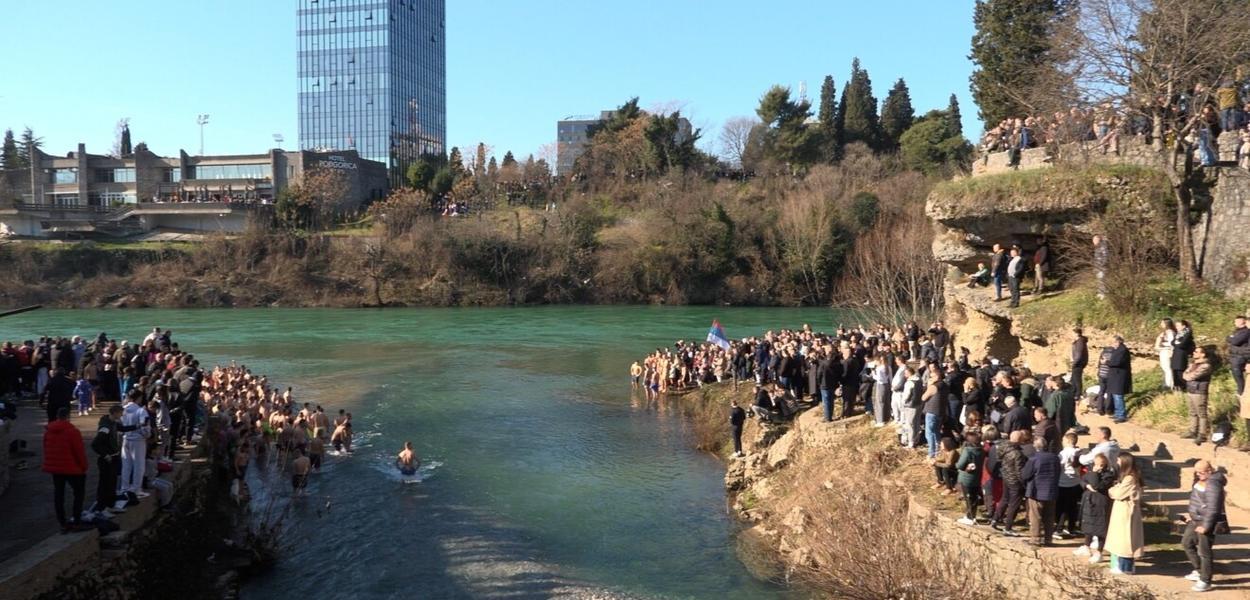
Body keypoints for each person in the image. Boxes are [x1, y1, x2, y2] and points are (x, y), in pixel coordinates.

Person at [1181, 460, 1226, 593]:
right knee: (1186, 543)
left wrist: (1206, 526)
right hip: (1196, 519)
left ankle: (1206, 580)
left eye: (1201, 472)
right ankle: (1200, 570)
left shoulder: (1213, 484)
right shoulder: (1202, 479)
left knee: (1204, 551)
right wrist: (1191, 515)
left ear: (1209, 471)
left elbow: (1213, 508)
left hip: (1205, 522)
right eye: (1196, 472)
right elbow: (1198, 501)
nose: (1198, 474)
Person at [43, 407, 88, 533]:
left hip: (56, 468)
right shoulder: (72, 431)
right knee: (78, 494)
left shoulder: (48, 431)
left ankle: (62, 522)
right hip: (72, 468)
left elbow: (46, 448)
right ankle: (77, 521)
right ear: (68, 416)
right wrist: (84, 466)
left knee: (59, 494)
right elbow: (79, 452)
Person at [1105, 453, 1145, 575]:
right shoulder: (1128, 477)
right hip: (1122, 510)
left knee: (1125, 540)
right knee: (1120, 539)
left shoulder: (1130, 478)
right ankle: (1122, 565)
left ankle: (1126, 567)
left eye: (1118, 461)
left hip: (1126, 512)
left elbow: (1117, 493)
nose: (1117, 463)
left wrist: (1112, 490)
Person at [1075, 452, 1116, 563]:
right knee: (1088, 524)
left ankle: (1099, 552)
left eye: (1100, 465)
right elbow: (1082, 480)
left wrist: (1093, 475)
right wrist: (1086, 485)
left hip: (1100, 503)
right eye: (1095, 464)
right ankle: (1086, 546)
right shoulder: (1089, 471)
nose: (1097, 467)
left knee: (1100, 527)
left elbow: (1097, 486)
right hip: (1089, 501)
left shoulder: (1108, 475)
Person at [1022, 437, 1060, 546]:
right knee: (1049, 516)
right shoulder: (1055, 458)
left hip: (1036, 491)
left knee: (1035, 516)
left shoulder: (1034, 459)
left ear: (1035, 446)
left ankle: (1035, 539)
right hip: (1052, 490)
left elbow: (1025, 474)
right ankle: (1048, 539)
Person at [90, 405, 125, 516]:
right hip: (107, 461)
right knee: (105, 484)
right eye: (120, 413)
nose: (122, 415)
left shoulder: (113, 423)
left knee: (112, 483)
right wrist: (105, 455)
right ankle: (101, 507)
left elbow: (123, 428)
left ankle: (110, 505)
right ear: (115, 413)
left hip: (114, 457)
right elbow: (95, 444)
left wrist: (137, 426)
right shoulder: (105, 427)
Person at [992, 430, 1028, 537]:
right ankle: (1008, 528)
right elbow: (1019, 471)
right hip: (1015, 481)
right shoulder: (1017, 454)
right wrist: (1024, 483)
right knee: (1014, 504)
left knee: (1004, 499)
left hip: (1006, 477)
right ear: (1020, 440)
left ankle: (995, 519)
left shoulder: (1003, 447)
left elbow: (999, 459)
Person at [120, 393, 151, 503]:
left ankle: (124, 487)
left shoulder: (123, 409)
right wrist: (146, 435)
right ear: (138, 398)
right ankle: (136, 489)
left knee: (126, 465)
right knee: (139, 465)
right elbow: (145, 426)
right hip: (137, 440)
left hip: (126, 439)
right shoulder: (141, 410)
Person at [1182, 346, 1214, 444]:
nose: (1194, 353)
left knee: (1201, 413)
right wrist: (1188, 376)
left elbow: (1193, 375)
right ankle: (1193, 431)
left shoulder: (1206, 366)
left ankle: (1202, 434)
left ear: (1203, 354)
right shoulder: (1193, 364)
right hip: (1191, 390)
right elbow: (1185, 374)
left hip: (1199, 391)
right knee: (1192, 412)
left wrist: (1188, 376)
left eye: (1196, 351)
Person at [1056, 432, 1083, 538]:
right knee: (1073, 507)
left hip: (1063, 482)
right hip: (1076, 482)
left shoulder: (1064, 453)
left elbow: (1059, 467)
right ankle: (1071, 528)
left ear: (1067, 441)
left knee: (1062, 508)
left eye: (1063, 440)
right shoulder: (1079, 452)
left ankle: (1059, 528)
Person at [955, 430, 984, 526]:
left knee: (968, 498)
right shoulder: (982, 450)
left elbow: (960, 465)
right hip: (977, 477)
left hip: (967, 478)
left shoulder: (968, 451)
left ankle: (970, 517)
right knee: (974, 497)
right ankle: (972, 515)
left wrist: (957, 464)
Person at [1105, 336, 1133, 423]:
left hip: (1119, 376)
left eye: (1113, 342)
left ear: (1118, 342)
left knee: (1118, 396)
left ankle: (1121, 415)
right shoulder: (1118, 350)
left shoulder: (1122, 350)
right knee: (1115, 395)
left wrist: (1106, 362)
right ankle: (1117, 413)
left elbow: (1117, 362)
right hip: (1116, 376)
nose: (1112, 344)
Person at [1228, 316, 1249, 396]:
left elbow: (1235, 341)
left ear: (1242, 321)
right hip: (1235, 355)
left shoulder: (1246, 331)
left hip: (1240, 356)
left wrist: (1231, 338)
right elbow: (1229, 338)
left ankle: (1241, 391)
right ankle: (1241, 390)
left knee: (1238, 374)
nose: (1235, 323)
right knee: (1235, 373)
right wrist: (1231, 338)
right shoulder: (1236, 331)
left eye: (1236, 321)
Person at [1155, 319, 1177, 390]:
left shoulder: (1170, 332)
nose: (1161, 324)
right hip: (1163, 351)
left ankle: (1169, 384)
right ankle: (1165, 383)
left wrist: (1161, 344)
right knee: (1164, 367)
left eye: (1162, 323)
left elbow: (1172, 343)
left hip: (1166, 351)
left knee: (1167, 368)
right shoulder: (1165, 332)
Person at [1070, 327, 1089, 394]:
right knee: (1073, 379)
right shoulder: (1078, 341)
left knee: (1077, 379)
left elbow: (1079, 354)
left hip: (1079, 363)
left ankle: (1078, 394)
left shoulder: (1080, 342)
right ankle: (1073, 392)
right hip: (1078, 362)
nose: (1071, 335)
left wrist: (1074, 363)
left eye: (1073, 333)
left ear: (1076, 334)